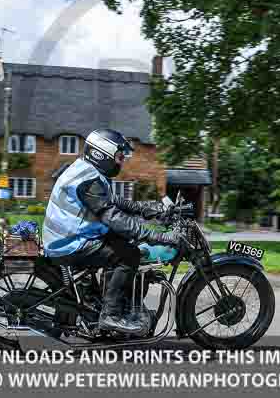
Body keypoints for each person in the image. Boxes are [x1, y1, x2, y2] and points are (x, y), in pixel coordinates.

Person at [43, 128, 185, 335]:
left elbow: (116, 202)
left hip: (73, 235)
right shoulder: (88, 180)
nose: (122, 161)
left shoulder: (89, 172)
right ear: (103, 154)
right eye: (119, 156)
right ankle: (110, 315)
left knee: (125, 243)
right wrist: (160, 236)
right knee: (128, 255)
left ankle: (113, 302)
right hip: (68, 243)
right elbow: (115, 218)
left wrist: (150, 209)